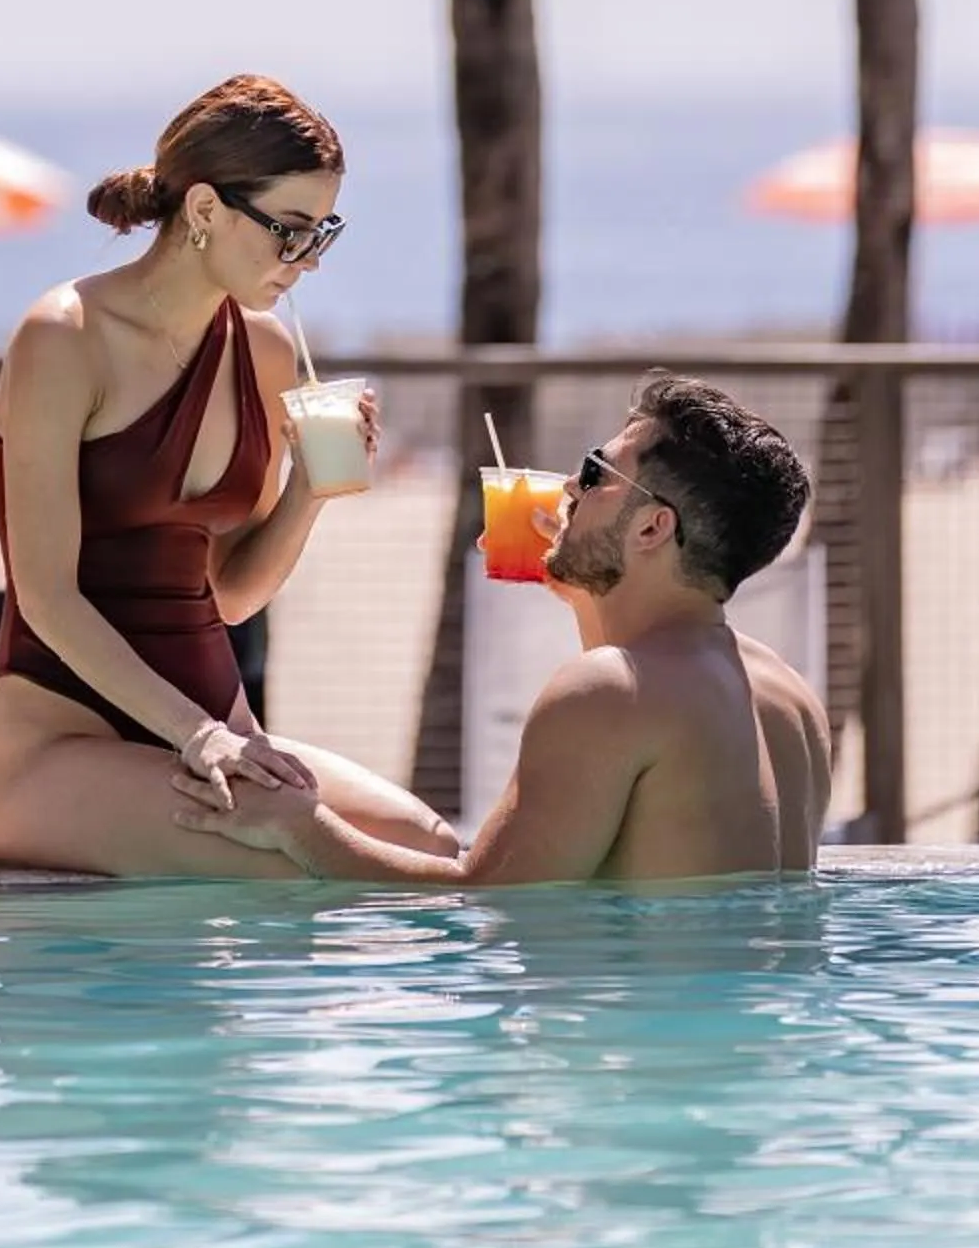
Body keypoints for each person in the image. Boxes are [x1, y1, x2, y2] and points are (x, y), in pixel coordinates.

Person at [0, 73, 458, 878]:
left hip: (215, 737)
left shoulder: (265, 352)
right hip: (58, 749)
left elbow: (228, 593)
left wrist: (310, 490)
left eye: (321, 233)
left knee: (426, 846)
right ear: (202, 211)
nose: (307, 262)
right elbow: (47, 596)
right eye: (287, 231)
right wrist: (200, 735)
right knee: (296, 868)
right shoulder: (63, 338)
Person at [174, 372, 832, 884]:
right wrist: (584, 592)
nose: (570, 484)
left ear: (653, 526)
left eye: (597, 472)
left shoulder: (604, 693)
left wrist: (300, 825)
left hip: (645, 1049)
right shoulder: (788, 697)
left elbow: (484, 900)